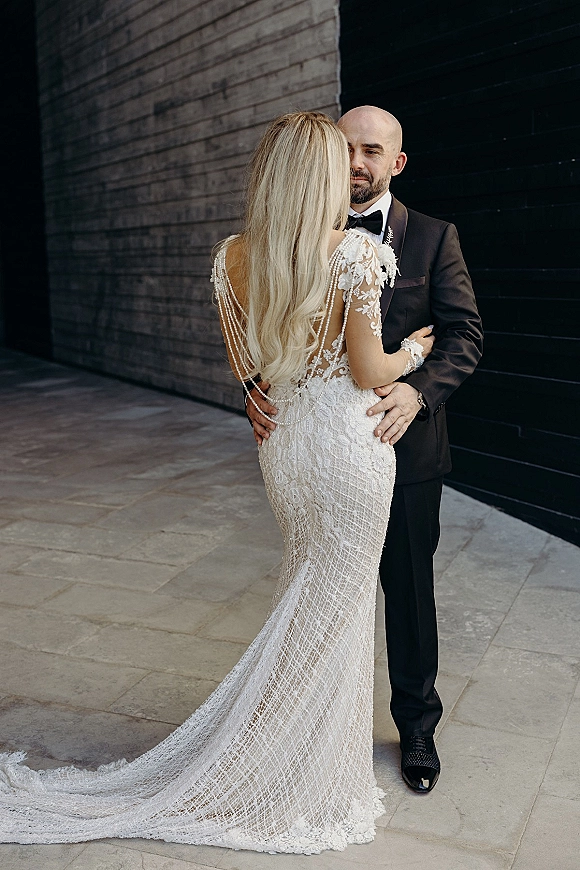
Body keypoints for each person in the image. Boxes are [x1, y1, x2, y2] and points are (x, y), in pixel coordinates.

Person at [0, 112, 434, 853]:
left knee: (310, 596)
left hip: (288, 447)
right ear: (321, 175)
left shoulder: (233, 255)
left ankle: (293, 755)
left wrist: (272, 392)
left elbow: (249, 370)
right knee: (335, 606)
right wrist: (414, 355)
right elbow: (368, 371)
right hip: (349, 447)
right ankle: (294, 773)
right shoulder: (356, 255)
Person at [247, 105, 484, 794]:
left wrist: (419, 393)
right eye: (345, 149)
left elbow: (464, 334)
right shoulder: (288, 236)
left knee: (408, 592)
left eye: (371, 152)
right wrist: (252, 389)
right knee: (317, 589)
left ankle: (416, 729)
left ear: (395, 163)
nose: (356, 163)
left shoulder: (435, 238)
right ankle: (315, 728)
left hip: (403, 448)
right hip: (321, 451)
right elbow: (269, 326)